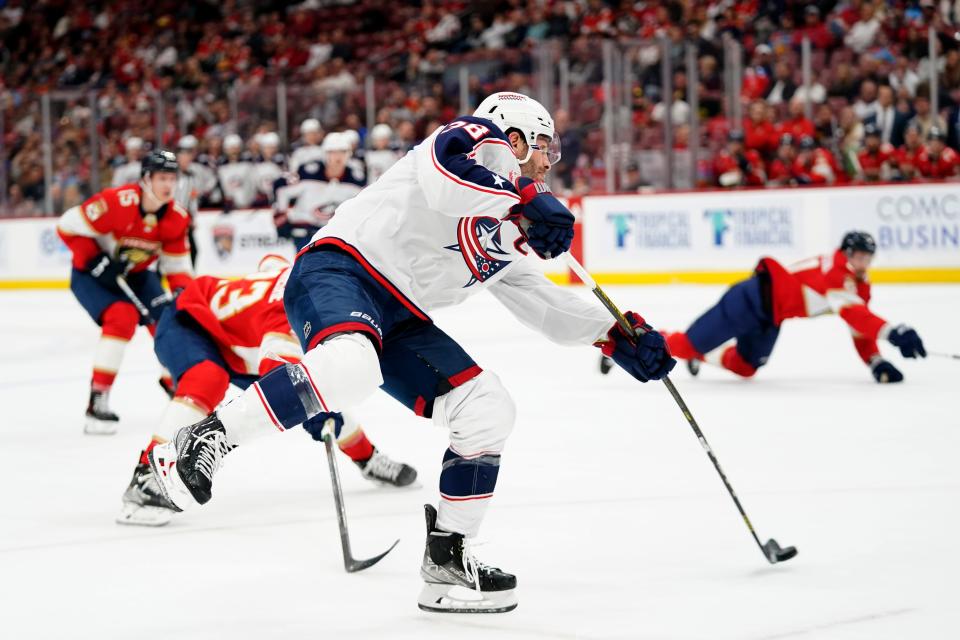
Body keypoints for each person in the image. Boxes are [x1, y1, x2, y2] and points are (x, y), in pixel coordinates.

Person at [148, 92, 674, 613]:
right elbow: (447, 181)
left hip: (400, 312)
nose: (547, 160)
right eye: (541, 146)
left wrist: (614, 331)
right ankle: (209, 437)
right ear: (512, 136)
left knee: (487, 408)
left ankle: (447, 561)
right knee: (351, 367)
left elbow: (540, 301)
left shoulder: (507, 228)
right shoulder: (467, 140)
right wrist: (519, 197)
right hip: (341, 269)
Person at [117, 254, 416, 526]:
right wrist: (313, 413)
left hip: (235, 340)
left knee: (323, 391)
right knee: (209, 378)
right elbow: (284, 384)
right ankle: (146, 476)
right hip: (188, 320)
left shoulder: (307, 278)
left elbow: (270, 262)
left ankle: (367, 459)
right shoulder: (287, 324)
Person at [663, 232, 926, 383]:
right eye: (858, 257)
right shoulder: (835, 274)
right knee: (684, 347)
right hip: (748, 300)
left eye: (867, 258)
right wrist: (893, 332)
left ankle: (702, 355)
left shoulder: (855, 286)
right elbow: (855, 314)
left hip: (771, 317)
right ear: (846, 254)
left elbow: (858, 324)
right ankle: (641, 339)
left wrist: (875, 361)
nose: (863, 263)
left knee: (746, 367)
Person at [57, 150, 193, 434]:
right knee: (121, 317)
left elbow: (177, 266)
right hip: (91, 273)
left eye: (172, 178)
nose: (169, 185)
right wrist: (93, 259)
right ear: (146, 179)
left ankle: (179, 387)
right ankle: (98, 401)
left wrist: (183, 295)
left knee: (170, 319)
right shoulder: (115, 203)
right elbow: (66, 226)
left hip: (136, 273)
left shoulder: (177, 218)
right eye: (162, 178)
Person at [273, 132, 365, 252]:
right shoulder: (308, 171)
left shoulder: (356, 178)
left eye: (342, 151)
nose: (338, 156)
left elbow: (363, 206)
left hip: (336, 236)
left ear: (349, 154)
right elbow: (282, 190)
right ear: (325, 153)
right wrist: (282, 216)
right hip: (305, 232)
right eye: (332, 152)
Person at [173, 135, 218, 267]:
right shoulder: (172, 176)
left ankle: (188, 276)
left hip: (185, 218)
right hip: (175, 217)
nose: (188, 161)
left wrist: (192, 216)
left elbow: (191, 199)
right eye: (185, 158)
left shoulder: (191, 176)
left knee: (192, 250)